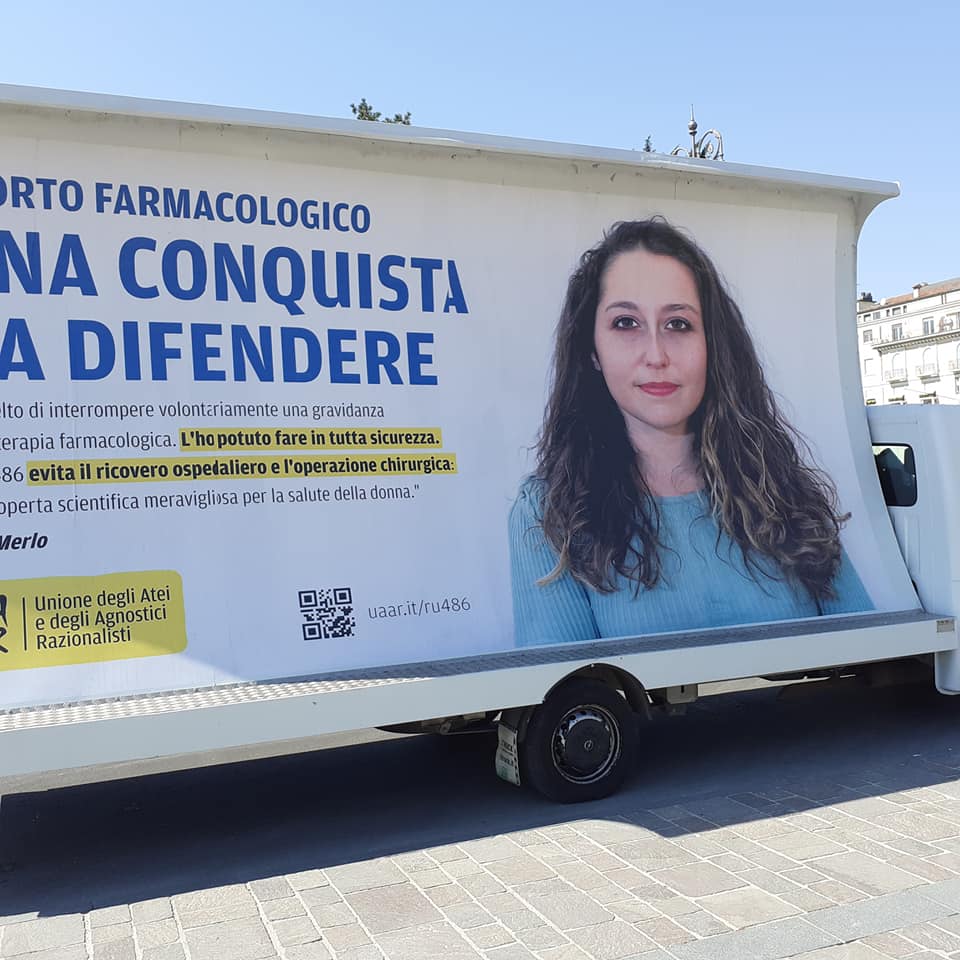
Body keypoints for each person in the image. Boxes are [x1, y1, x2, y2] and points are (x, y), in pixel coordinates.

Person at [509, 217, 872, 647]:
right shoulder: (548, 512)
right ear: (592, 351)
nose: (656, 354)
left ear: (712, 344)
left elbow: (866, 658)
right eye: (626, 323)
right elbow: (568, 695)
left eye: (678, 324)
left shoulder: (780, 489)